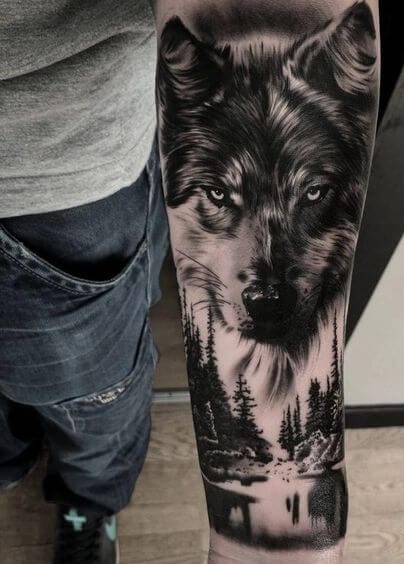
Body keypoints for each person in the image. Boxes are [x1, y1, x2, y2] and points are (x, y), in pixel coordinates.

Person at [0, 1, 380, 562]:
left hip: (53, 189)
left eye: (312, 192)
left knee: (91, 406)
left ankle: (88, 506)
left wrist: (279, 542)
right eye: (223, 196)